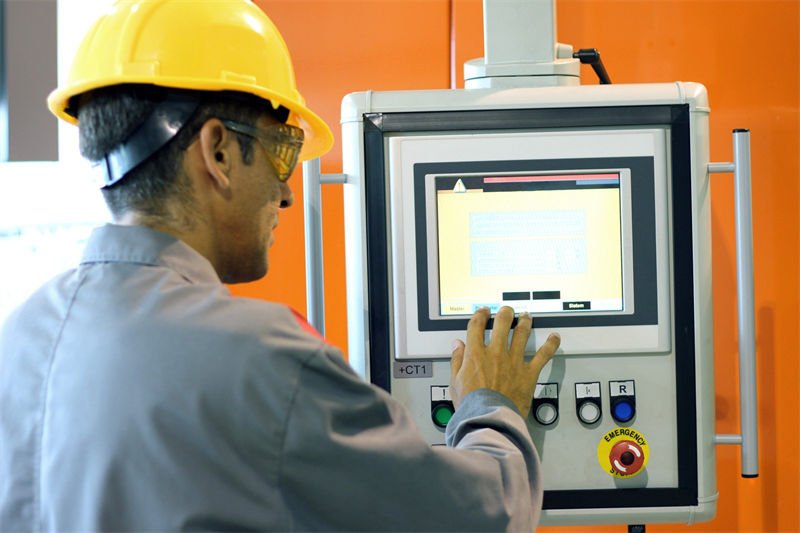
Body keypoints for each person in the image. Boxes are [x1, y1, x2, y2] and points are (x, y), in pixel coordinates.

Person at [0, 0, 561, 531]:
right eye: (281, 151)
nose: (288, 194)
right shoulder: (261, 359)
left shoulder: (22, 336)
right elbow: (477, 519)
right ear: (217, 151)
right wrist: (493, 407)